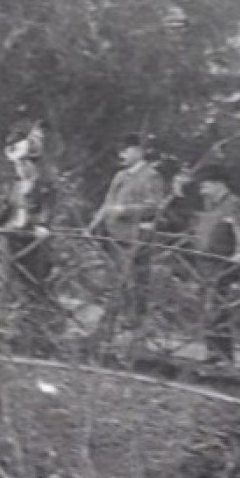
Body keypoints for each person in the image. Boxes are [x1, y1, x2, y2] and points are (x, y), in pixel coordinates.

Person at [0, 121, 59, 346]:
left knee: (35, 281)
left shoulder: (44, 185)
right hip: (13, 237)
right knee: (10, 278)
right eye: (18, 165)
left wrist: (43, 225)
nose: (21, 169)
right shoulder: (14, 186)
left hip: (33, 239)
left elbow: (48, 208)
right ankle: (6, 322)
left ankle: (40, 326)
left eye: (25, 164)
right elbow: (5, 210)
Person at [86, 134, 166, 338]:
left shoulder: (150, 176)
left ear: (139, 151)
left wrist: (125, 210)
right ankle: (109, 330)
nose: (121, 155)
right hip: (112, 237)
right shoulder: (120, 176)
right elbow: (107, 202)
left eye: (126, 150)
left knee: (131, 284)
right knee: (114, 282)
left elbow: (153, 207)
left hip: (134, 239)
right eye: (120, 151)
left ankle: (130, 330)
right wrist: (91, 226)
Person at [187, 165, 240, 365]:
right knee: (208, 307)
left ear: (218, 185)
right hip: (206, 262)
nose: (202, 190)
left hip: (223, 264)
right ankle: (213, 352)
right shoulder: (210, 204)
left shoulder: (232, 204)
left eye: (205, 186)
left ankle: (224, 355)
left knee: (219, 307)